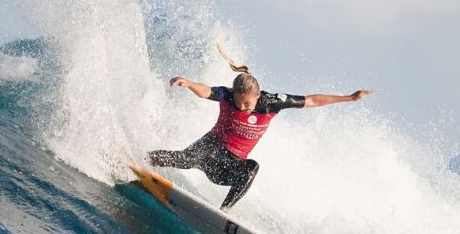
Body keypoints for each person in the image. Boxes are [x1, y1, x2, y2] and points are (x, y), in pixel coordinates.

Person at [149, 52, 372, 212]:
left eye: (247, 104)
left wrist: (349, 98)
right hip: (210, 147)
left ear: (258, 96)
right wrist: (188, 83)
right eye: (239, 103)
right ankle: (143, 157)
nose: (243, 108)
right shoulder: (227, 95)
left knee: (252, 167)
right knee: (183, 159)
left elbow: (312, 100)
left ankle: (224, 210)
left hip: (229, 167)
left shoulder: (272, 102)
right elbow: (207, 91)